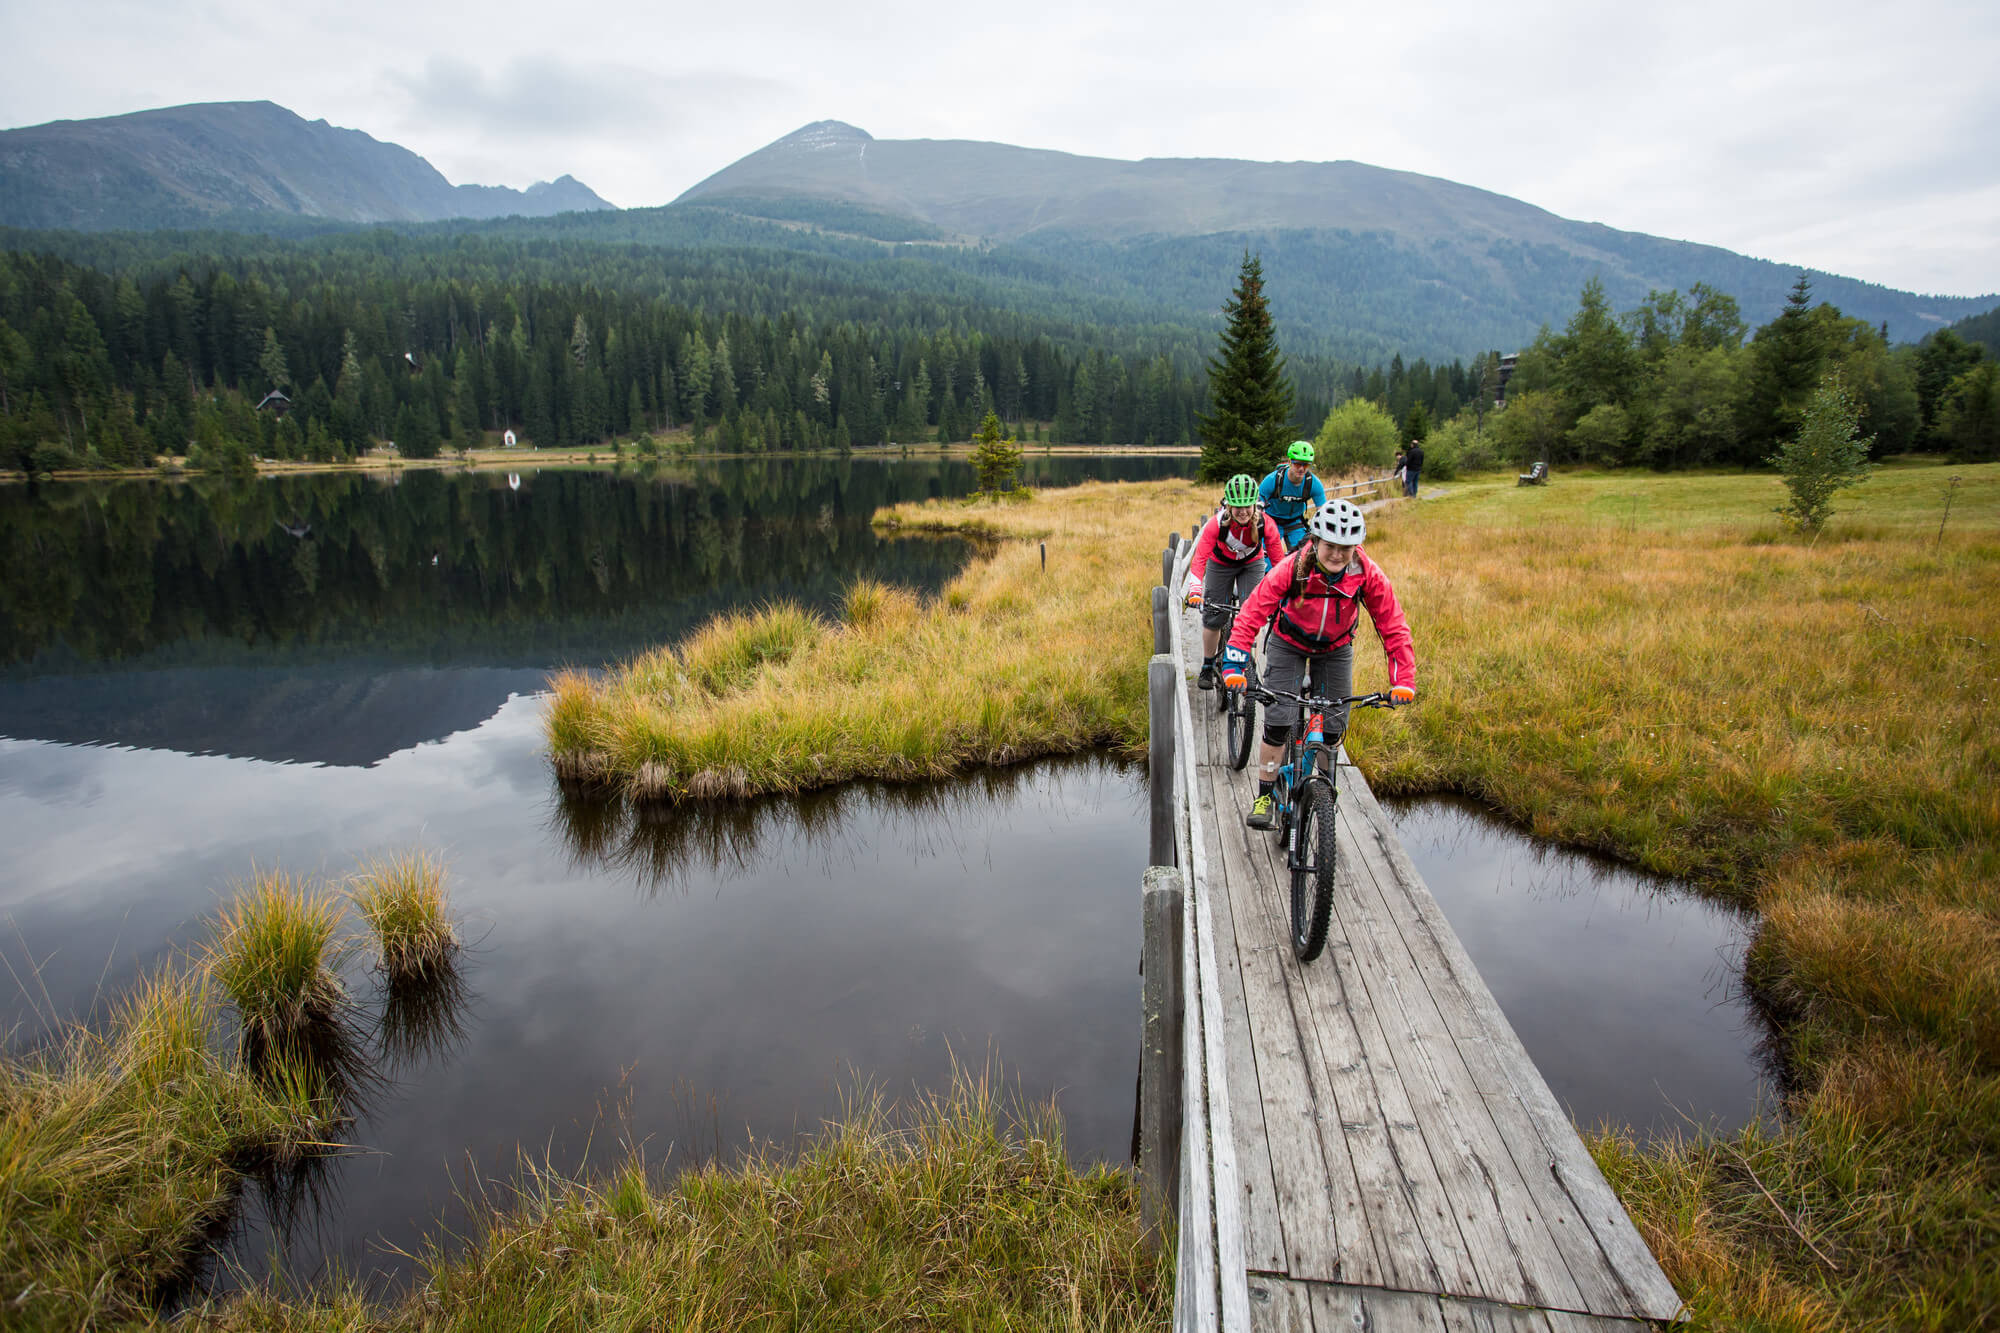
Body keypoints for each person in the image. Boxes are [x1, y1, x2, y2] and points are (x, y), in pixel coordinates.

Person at [1219, 500, 1415, 829]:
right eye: (1330, 546)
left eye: (1346, 548)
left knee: (1334, 728)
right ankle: (1265, 794)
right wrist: (1234, 666)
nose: (1337, 555)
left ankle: (1325, 786)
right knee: (1279, 721)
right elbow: (1254, 611)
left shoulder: (1366, 574)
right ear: (1316, 540)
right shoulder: (1293, 567)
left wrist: (1404, 680)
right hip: (1288, 643)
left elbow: (1393, 625)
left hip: (1335, 648)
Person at [1184, 473, 1286, 690]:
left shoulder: (1266, 525)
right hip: (1220, 564)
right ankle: (1208, 665)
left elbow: (1279, 564)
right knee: (1213, 618)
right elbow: (1200, 558)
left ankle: (1248, 659)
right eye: (1237, 506)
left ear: (1255, 505)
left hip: (1252, 564)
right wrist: (1195, 590)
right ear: (1228, 506)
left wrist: (1283, 594)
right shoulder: (1217, 524)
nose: (1243, 511)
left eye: (1247, 506)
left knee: (1254, 612)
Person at [1258, 440, 1327, 550]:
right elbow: (1257, 508)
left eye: (1306, 465)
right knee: (1266, 559)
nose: (1301, 468)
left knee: (1303, 556)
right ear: (1290, 461)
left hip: (1295, 521)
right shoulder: (1272, 480)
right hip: (1272, 520)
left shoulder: (1313, 483)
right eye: (1297, 463)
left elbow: (1324, 512)